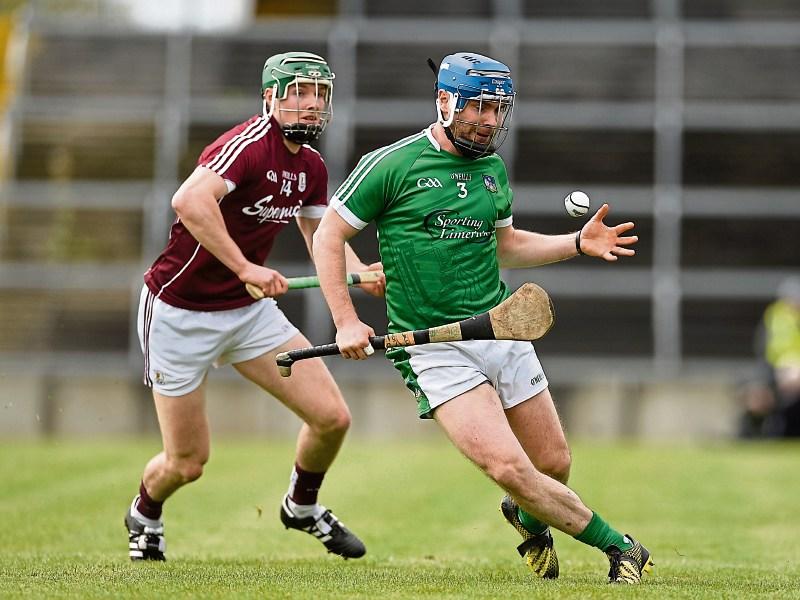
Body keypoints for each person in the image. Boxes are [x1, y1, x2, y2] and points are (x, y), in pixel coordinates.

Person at [312, 52, 652, 584]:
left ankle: (523, 514)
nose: (491, 121)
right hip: (434, 346)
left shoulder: (491, 169)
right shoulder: (391, 165)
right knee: (508, 467)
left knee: (553, 464)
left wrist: (577, 243)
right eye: (479, 108)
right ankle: (620, 546)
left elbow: (506, 245)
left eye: (498, 109)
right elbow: (328, 234)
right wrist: (345, 319)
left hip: (501, 326)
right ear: (445, 103)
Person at [126, 51, 384, 561]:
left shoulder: (311, 166)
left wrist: (360, 273)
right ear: (271, 98)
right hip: (180, 312)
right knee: (188, 461)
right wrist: (246, 269)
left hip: (246, 315)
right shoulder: (246, 146)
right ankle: (145, 511)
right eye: (300, 93)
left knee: (331, 418)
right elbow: (189, 201)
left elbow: (320, 231)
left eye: (320, 94)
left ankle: (301, 507)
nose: (312, 105)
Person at [739, 276, 800, 438]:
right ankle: (752, 435)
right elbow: (764, 352)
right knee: (756, 393)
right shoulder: (774, 317)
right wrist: (780, 371)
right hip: (776, 372)